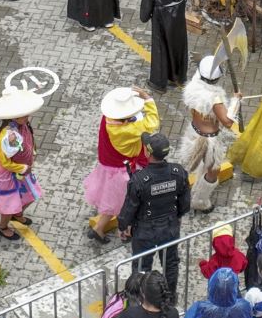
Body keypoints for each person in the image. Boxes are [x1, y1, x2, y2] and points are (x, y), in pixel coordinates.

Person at [118, 131, 191, 292]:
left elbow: (129, 208)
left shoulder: (138, 180)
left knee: (142, 267)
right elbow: (185, 203)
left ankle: (140, 300)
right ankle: (169, 298)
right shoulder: (178, 172)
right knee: (170, 264)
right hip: (170, 227)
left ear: (148, 152)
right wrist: (177, 215)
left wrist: (123, 226)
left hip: (144, 231)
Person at [86, 86, 159, 243]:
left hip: (110, 166)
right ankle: (125, 232)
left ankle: (98, 229)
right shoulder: (129, 129)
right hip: (125, 171)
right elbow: (152, 123)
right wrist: (147, 98)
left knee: (114, 202)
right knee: (127, 203)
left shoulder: (108, 118)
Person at [178, 54, 237, 214]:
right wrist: (236, 103)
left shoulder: (192, 86)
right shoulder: (215, 98)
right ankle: (200, 201)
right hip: (210, 141)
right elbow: (228, 122)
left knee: (191, 166)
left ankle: (182, 195)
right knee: (213, 170)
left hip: (194, 133)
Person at [0, 86, 42, 239]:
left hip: (22, 171)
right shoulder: (5, 135)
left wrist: (32, 154)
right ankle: (2, 226)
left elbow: (29, 141)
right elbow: (5, 162)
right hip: (9, 174)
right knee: (8, 204)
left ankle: (17, 214)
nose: (27, 115)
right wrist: (23, 167)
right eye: (23, 114)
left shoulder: (23, 125)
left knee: (30, 195)